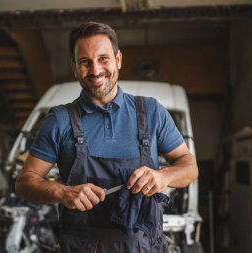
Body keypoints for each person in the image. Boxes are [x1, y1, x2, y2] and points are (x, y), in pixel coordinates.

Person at [15, 21, 198, 253]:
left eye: (103, 58)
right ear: (74, 67)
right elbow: (24, 182)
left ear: (118, 59)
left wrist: (163, 177)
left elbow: (189, 167)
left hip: (142, 246)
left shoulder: (151, 112)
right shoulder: (60, 120)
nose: (95, 70)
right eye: (85, 62)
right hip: (81, 246)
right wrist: (62, 192)